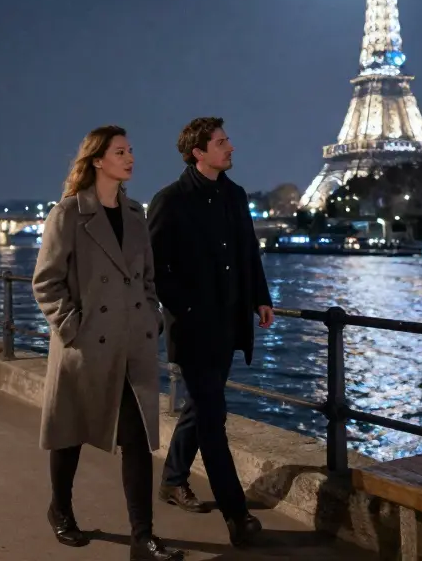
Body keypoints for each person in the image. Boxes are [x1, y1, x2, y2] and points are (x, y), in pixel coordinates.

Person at [31, 125, 183, 561]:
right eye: (121, 151)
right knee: (70, 434)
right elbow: (46, 282)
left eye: (131, 150)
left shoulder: (136, 214)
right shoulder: (68, 214)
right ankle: (60, 509)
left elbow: (148, 278)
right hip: (86, 345)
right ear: (98, 160)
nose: (131, 158)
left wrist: (150, 316)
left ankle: (143, 537)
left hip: (132, 343)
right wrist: (72, 327)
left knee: (136, 442)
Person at [146, 117, 274, 548]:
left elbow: (247, 252)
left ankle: (173, 479)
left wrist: (261, 296)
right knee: (213, 417)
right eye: (222, 142)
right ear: (198, 152)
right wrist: (185, 308)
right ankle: (237, 516)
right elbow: (156, 269)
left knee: (203, 406)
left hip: (229, 323)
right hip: (195, 328)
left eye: (228, 140)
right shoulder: (170, 201)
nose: (231, 147)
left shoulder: (235, 196)